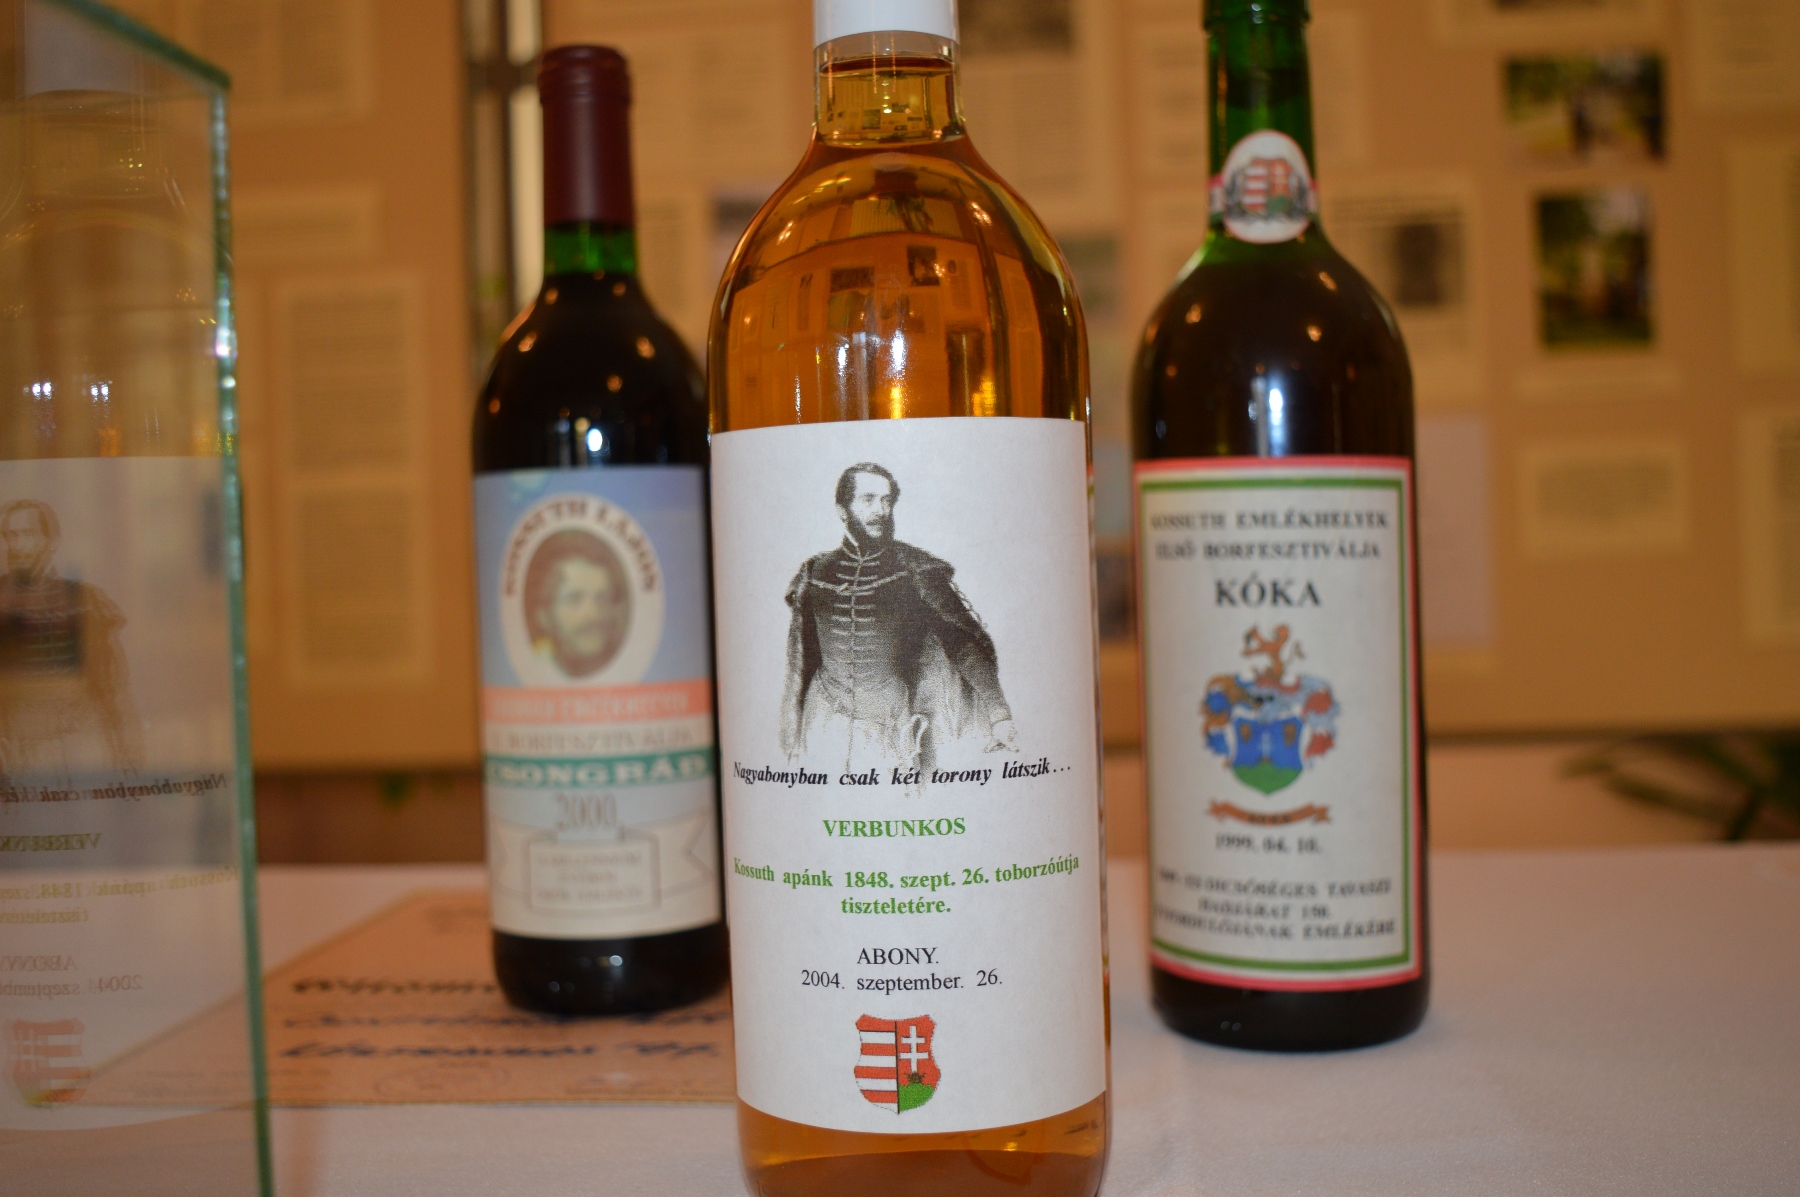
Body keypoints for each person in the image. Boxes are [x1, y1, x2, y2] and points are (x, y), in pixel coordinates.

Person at [780, 462, 1015, 772]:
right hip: (822, 720)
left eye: (886, 500)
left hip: (889, 724)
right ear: (842, 510)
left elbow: (961, 644)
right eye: (868, 500)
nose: (881, 510)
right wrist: (794, 731)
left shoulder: (916, 569)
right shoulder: (815, 571)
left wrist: (999, 714)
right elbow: (805, 658)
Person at [0, 499, 141, 775]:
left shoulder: (87, 601)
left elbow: (114, 688)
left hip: (84, 748)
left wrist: (129, 760)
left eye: (27, 534)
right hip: (20, 754)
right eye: (10, 536)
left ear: (51, 542)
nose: (16, 546)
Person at [527, 530, 631, 678]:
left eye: (602, 599)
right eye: (574, 600)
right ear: (544, 616)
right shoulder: (539, 663)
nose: (594, 614)